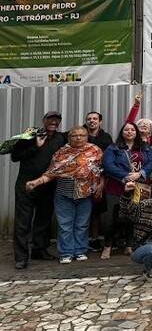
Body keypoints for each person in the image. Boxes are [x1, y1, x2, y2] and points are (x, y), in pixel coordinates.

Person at [25, 126, 104, 264]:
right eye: (74, 135)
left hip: (85, 195)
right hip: (64, 194)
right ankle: (66, 252)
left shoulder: (95, 151)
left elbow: (102, 171)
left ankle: (80, 251)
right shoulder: (61, 153)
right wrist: (35, 182)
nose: (78, 138)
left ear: (87, 137)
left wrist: (100, 185)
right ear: (69, 138)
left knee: (82, 225)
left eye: (82, 135)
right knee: (65, 225)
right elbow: (51, 173)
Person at [11, 111, 67, 269]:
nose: (54, 122)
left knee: (43, 220)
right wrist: (36, 146)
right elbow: (15, 156)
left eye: (57, 120)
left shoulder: (61, 138)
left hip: (48, 185)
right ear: (44, 120)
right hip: (26, 184)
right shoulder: (30, 134)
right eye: (50, 119)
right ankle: (21, 257)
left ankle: (39, 250)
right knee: (23, 222)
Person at [101, 122, 152, 260]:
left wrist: (140, 173)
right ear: (122, 132)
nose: (130, 132)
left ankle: (129, 245)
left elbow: (151, 162)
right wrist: (125, 176)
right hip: (116, 187)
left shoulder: (144, 148)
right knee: (111, 218)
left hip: (138, 187)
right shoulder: (113, 148)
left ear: (136, 132)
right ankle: (108, 246)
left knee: (133, 216)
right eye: (127, 129)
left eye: (133, 129)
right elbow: (108, 165)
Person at [84, 111, 113, 252]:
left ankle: (95, 239)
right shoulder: (80, 135)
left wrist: (102, 182)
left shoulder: (106, 138)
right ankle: (82, 240)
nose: (92, 121)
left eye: (95, 119)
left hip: (100, 178)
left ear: (100, 122)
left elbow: (109, 160)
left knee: (97, 211)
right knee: (82, 211)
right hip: (82, 179)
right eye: (89, 119)